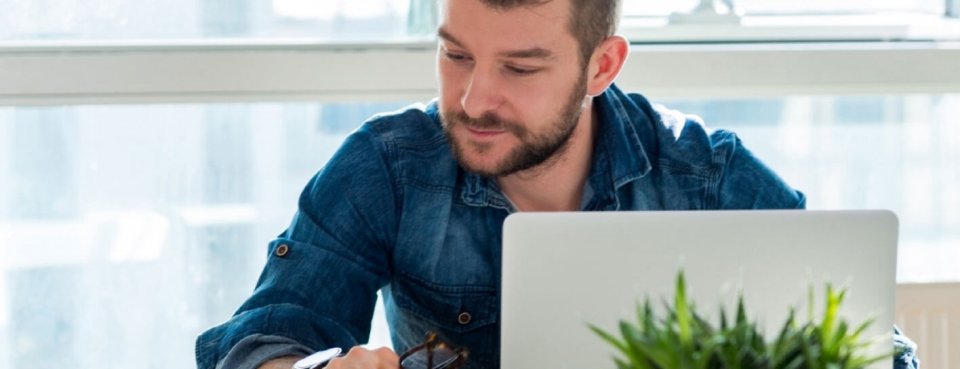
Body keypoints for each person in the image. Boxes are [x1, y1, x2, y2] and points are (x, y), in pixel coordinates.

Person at [196, 1, 920, 368]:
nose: (475, 98)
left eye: (520, 68)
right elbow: (263, 337)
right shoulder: (388, 165)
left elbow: (874, 348)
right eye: (455, 54)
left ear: (602, 67)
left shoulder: (705, 176)